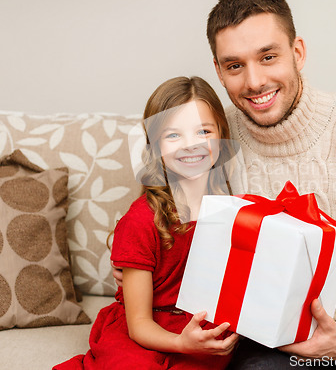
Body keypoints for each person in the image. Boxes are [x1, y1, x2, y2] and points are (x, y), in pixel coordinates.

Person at [116, 0, 336, 369]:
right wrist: (127, 259)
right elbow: (165, 211)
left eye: (268, 57)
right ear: (218, 70)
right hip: (269, 335)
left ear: (297, 52)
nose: (254, 81)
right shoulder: (213, 139)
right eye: (234, 66)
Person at [54, 76, 239, 370]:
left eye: (203, 131)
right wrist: (180, 343)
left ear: (221, 136)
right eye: (173, 135)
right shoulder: (141, 221)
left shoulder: (233, 210)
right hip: (142, 329)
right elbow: (139, 323)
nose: (191, 145)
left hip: (197, 328)